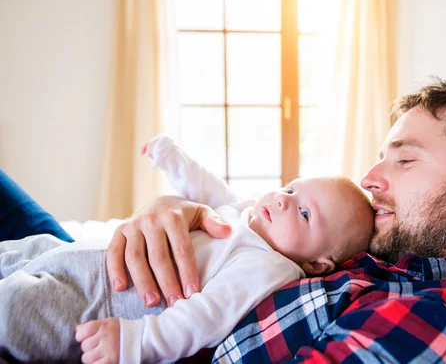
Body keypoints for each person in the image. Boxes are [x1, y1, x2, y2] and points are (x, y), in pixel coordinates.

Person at [104, 79, 446, 363]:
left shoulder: (431, 316)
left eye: (404, 160)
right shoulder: (378, 257)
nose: (369, 178)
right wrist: (176, 210)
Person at [0, 135, 374, 363]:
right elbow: (210, 192)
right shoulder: (248, 216)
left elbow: (205, 317)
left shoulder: (268, 267)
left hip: (99, 297)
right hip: (80, 253)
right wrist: (173, 158)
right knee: (23, 250)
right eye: (291, 189)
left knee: (15, 308)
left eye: (305, 212)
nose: (282, 201)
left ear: (318, 264)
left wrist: (138, 342)